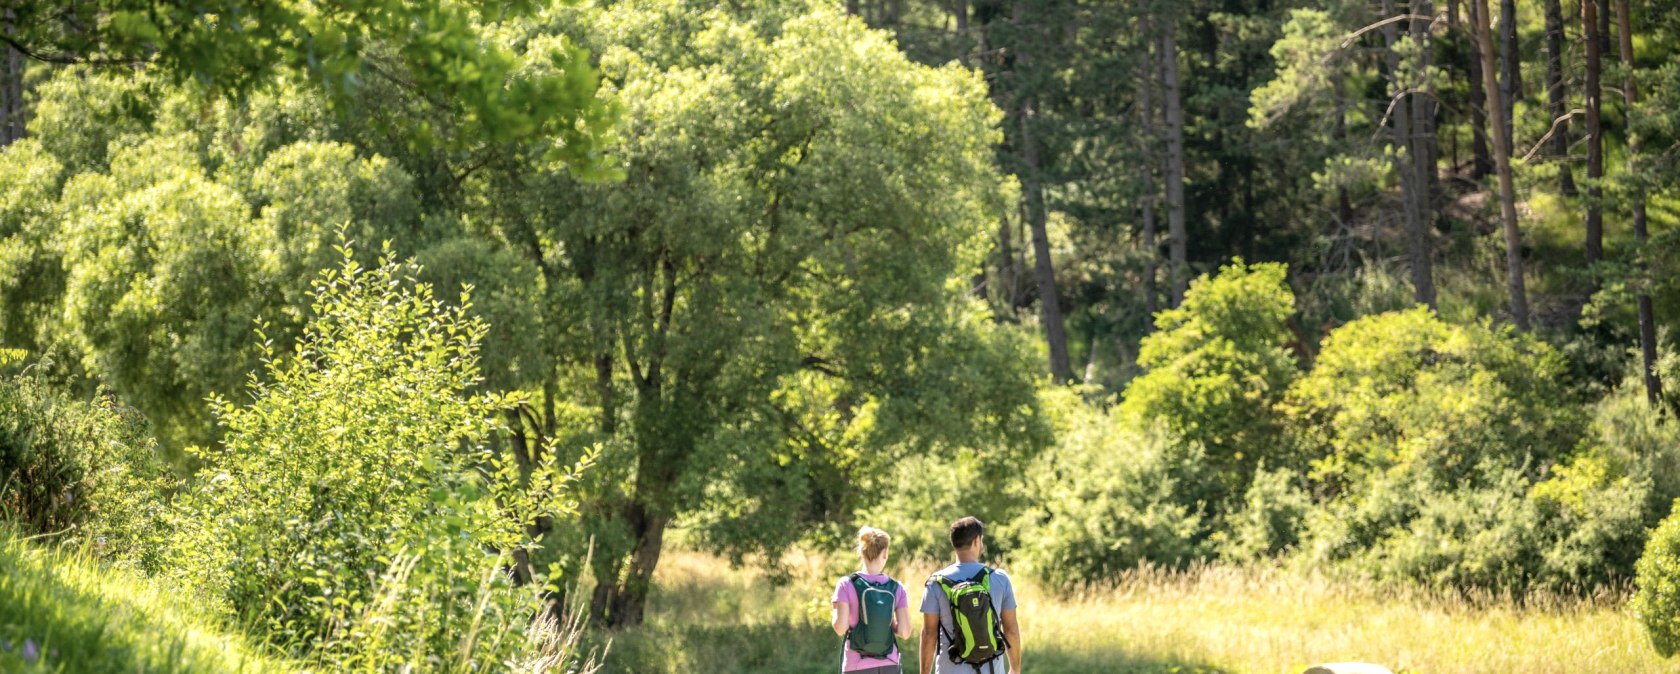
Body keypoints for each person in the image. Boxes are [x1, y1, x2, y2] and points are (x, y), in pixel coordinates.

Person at [919, 516, 1021, 674]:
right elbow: (1011, 630)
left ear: (954, 543)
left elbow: (929, 635)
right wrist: (1015, 668)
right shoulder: (1000, 579)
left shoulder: (936, 583)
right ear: (977, 540)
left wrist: (924, 672)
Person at [833, 526, 913, 674]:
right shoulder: (897, 587)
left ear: (860, 552)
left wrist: (835, 612)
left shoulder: (846, 584)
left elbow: (840, 628)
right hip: (890, 664)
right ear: (885, 554)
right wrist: (886, 620)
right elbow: (905, 632)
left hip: (856, 665)